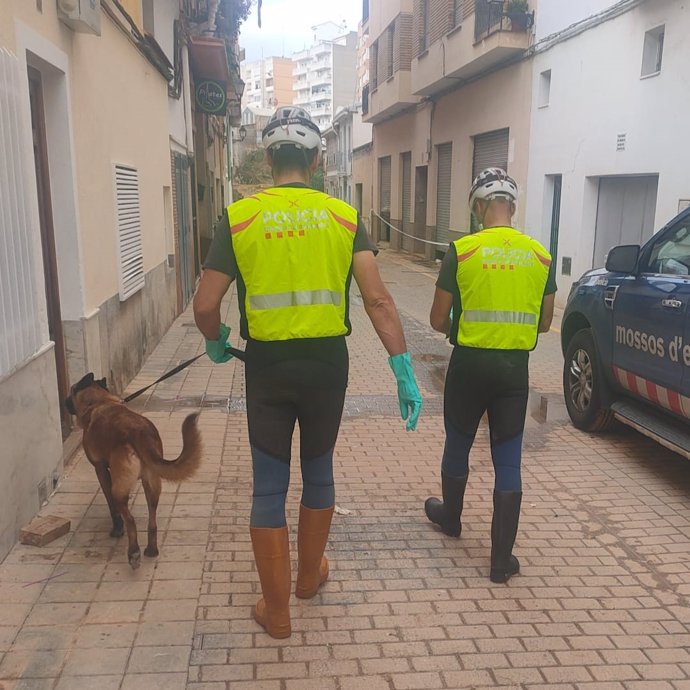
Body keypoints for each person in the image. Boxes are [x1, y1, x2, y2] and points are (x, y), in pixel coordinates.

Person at [193, 107, 422, 638]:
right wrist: (402, 368)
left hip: (267, 367)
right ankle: (308, 579)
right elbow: (379, 301)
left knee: (268, 488)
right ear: (318, 160)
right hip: (327, 367)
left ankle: (277, 614)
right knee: (318, 472)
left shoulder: (240, 217)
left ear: (269, 157)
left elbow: (207, 304)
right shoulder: (343, 217)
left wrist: (216, 341)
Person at [424, 168, 556, 583]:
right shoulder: (539, 256)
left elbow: (435, 319)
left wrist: (465, 330)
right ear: (512, 207)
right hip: (513, 370)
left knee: (459, 440)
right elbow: (545, 323)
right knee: (508, 457)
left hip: (468, 365)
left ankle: (451, 518)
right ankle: (501, 561)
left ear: (478, 207)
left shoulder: (461, 251)